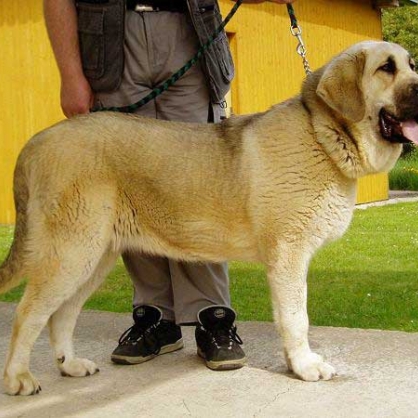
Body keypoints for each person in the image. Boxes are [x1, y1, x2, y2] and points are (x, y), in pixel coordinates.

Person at [43, 0, 295, 371]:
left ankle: (213, 316)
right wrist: (69, 73)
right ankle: (157, 318)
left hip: (188, 31)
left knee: (201, 182)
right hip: (111, 41)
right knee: (130, 186)